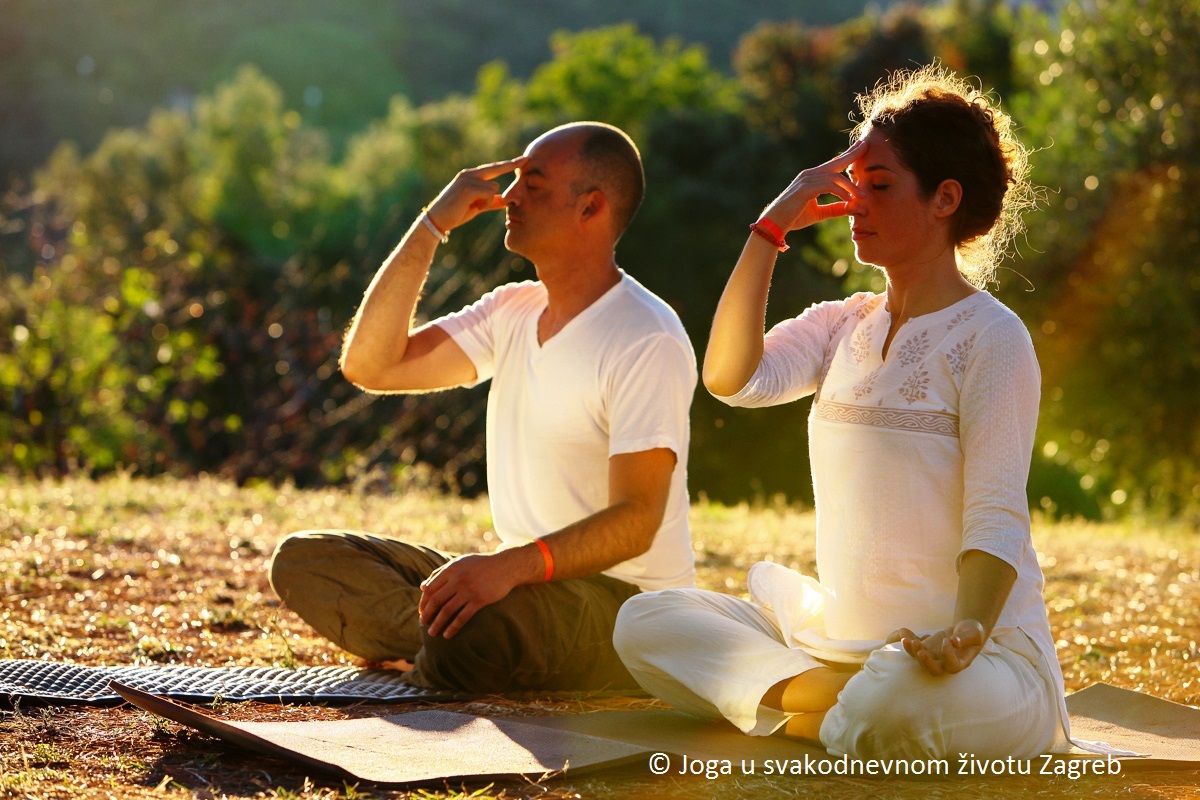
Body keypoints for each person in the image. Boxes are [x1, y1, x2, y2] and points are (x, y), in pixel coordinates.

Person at [613, 65, 1071, 759]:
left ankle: (815, 708)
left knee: (893, 705)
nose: (856, 205)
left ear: (945, 199)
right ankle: (836, 706)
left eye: (879, 187)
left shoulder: (994, 338)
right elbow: (731, 379)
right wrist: (773, 224)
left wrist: (965, 632)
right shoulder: (841, 325)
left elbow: (997, 514)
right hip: (842, 645)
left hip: (978, 660)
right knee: (645, 621)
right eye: (854, 187)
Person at [269, 122, 697, 693]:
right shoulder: (512, 311)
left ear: (590, 208)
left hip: (624, 607)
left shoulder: (646, 336)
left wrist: (505, 569)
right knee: (303, 559)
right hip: (523, 589)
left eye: (534, 185)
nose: (511, 196)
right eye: (515, 180)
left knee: (478, 625)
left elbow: (636, 522)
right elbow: (372, 365)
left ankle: (439, 652)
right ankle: (441, 647)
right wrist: (431, 225)